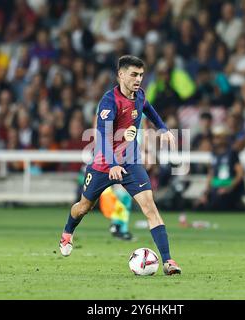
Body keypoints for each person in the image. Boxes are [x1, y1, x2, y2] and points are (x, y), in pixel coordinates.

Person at [59, 55, 181, 275]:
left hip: (131, 162)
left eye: (141, 75)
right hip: (104, 163)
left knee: (149, 208)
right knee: (84, 207)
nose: (138, 79)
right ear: (121, 75)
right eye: (134, 74)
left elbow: (149, 109)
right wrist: (113, 164)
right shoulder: (109, 101)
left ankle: (168, 261)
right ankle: (68, 232)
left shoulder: (140, 95)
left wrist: (163, 128)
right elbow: (104, 137)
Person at [195, 125, 245, 212]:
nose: (215, 139)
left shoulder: (232, 153)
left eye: (218, 137)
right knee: (199, 206)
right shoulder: (214, 154)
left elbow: (240, 173)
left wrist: (229, 187)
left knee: (217, 203)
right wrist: (206, 192)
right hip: (216, 188)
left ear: (224, 138)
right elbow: (211, 174)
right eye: (214, 137)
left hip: (229, 188)